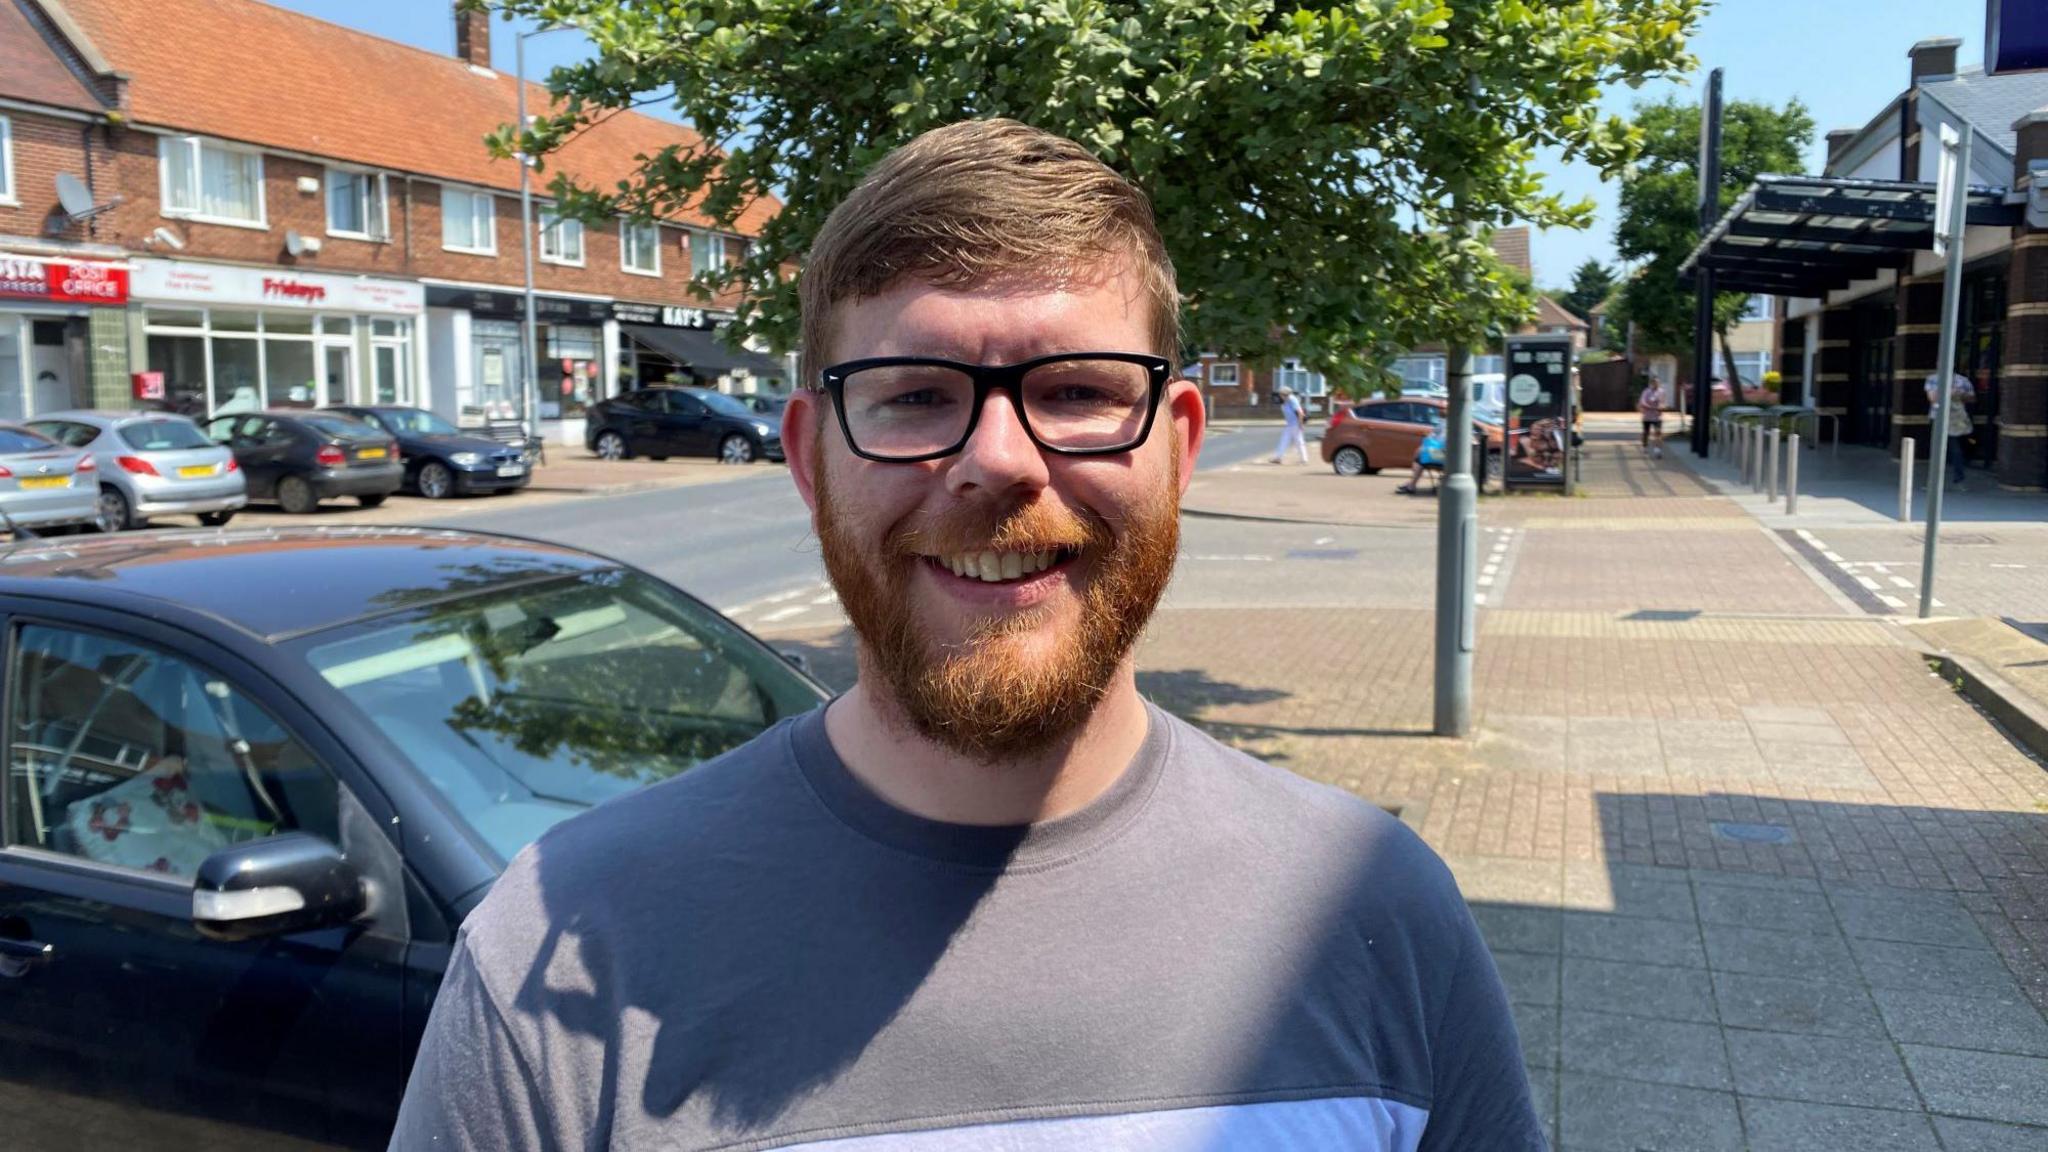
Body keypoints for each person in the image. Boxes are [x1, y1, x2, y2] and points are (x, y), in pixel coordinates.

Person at [391, 119, 1542, 1151]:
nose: (998, 460)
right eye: (911, 395)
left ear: (1179, 448)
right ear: (807, 459)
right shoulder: (552, 957)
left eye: (1080, 392)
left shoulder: (1371, 911)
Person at [1924, 365, 1975, 490]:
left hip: (1955, 419)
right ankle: (1933, 481)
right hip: (1937, 417)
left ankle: (1958, 479)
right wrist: (1949, 393)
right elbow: (1932, 398)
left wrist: (1960, 395)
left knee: (1955, 449)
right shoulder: (1933, 379)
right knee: (1937, 449)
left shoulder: (1962, 381)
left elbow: (1972, 398)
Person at [1395, 415, 1446, 495]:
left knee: (1420, 460)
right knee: (1419, 456)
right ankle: (1411, 483)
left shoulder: (1445, 424)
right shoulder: (1444, 423)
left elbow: (1433, 437)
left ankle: (1411, 485)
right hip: (1444, 454)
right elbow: (1433, 436)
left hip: (1445, 456)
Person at [1271, 384, 1309, 463]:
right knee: (1286, 440)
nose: (1280, 395)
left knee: (1298, 441)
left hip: (1295, 424)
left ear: (1285, 394)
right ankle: (1279, 457)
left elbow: (1300, 413)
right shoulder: (1285, 401)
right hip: (1290, 424)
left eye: (1281, 394)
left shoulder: (1292, 400)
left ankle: (1304, 459)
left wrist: (1301, 425)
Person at [1639, 377, 1666, 458]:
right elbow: (1642, 402)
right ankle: (1644, 447)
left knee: (1658, 432)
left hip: (1657, 417)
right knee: (1646, 433)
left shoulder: (1662, 392)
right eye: (1654, 383)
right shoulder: (1646, 391)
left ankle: (1657, 450)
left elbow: (1663, 402)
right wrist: (1651, 407)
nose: (1656, 384)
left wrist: (1662, 407)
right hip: (1647, 416)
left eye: (1658, 383)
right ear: (1651, 383)